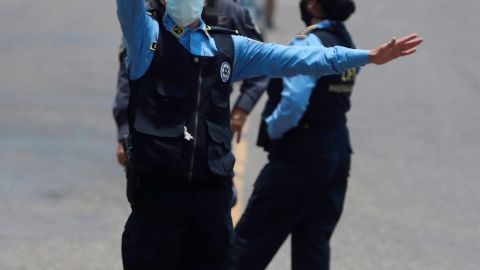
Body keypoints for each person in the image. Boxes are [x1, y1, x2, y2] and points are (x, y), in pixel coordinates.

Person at [116, 0, 422, 268]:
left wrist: (368, 56)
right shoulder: (147, 39)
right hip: (160, 196)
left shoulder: (228, 48)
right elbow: (127, 6)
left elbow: (304, 60)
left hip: (209, 200)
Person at [231, 0, 407, 269]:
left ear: (313, 6)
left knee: (250, 241)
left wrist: (272, 129)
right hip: (336, 150)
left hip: (301, 154)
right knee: (313, 245)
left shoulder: (309, 42)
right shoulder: (343, 39)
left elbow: (294, 102)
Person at [113, 0, 268, 167]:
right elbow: (127, 77)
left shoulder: (228, 12)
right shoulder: (144, 15)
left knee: (217, 187)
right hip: (156, 133)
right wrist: (124, 131)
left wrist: (241, 109)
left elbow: (261, 62)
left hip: (210, 135)